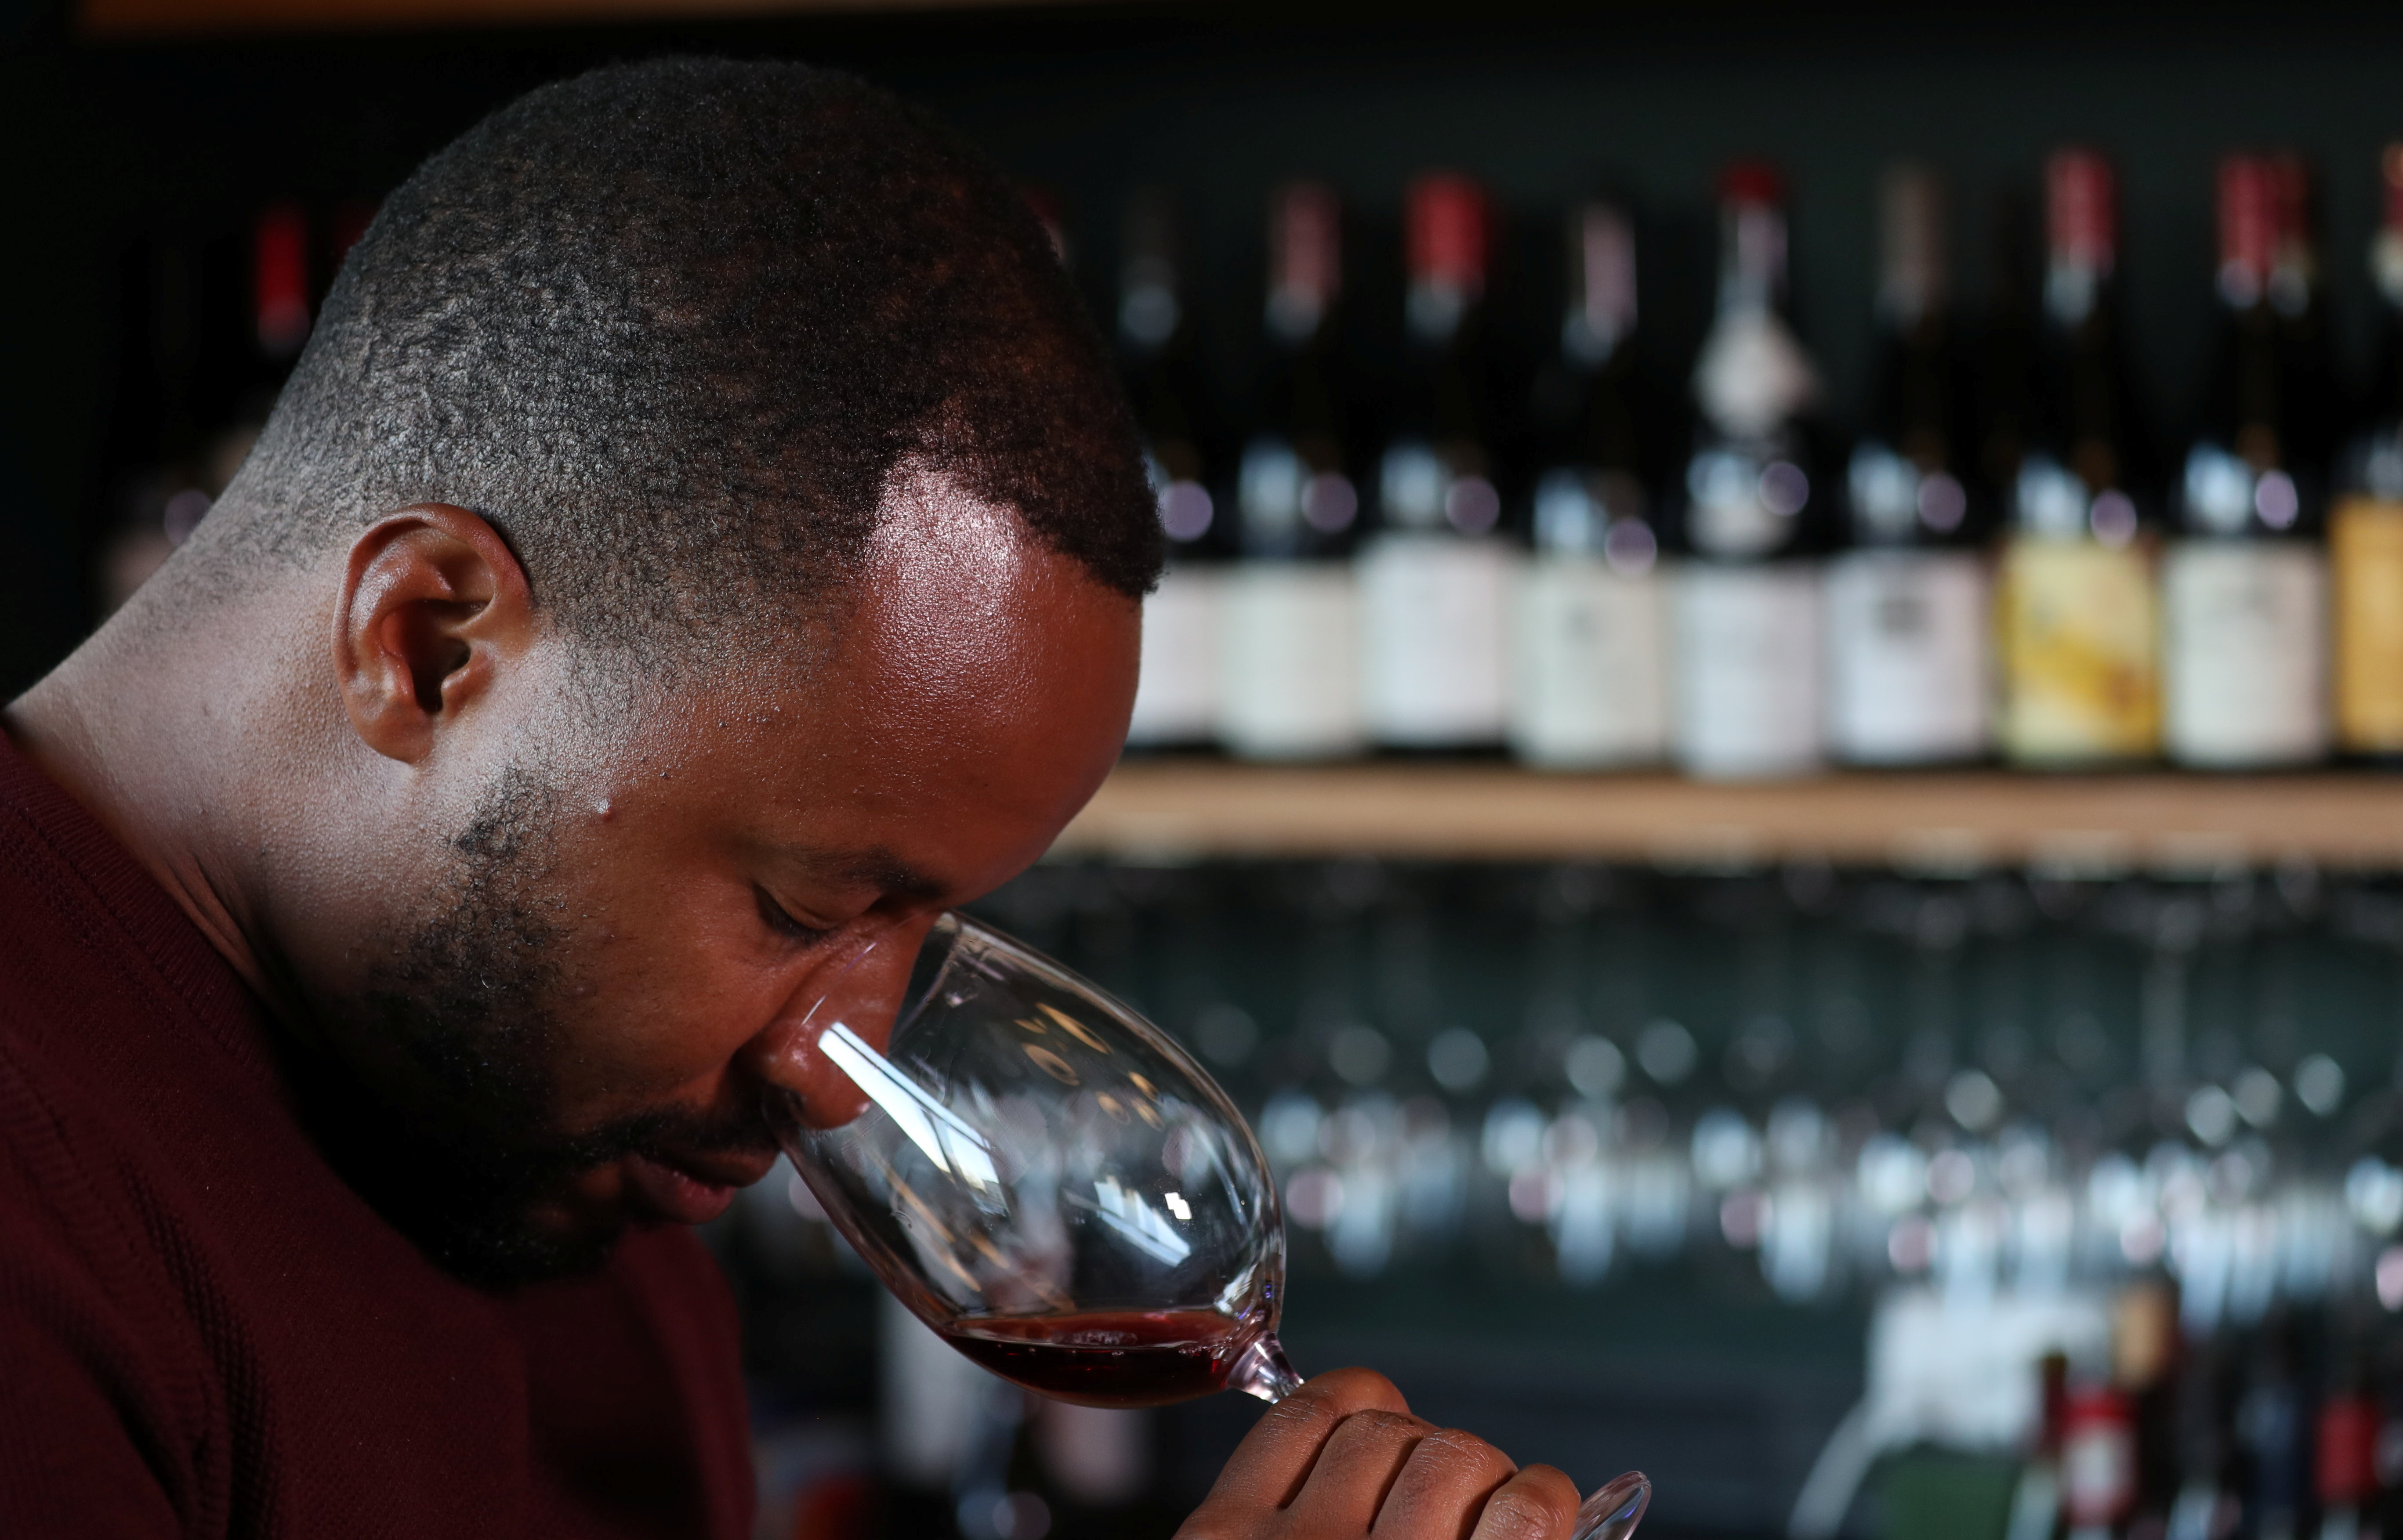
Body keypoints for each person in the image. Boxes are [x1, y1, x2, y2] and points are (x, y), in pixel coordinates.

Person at [0, 57, 1586, 1540]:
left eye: (929, 922)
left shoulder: (559, 1153)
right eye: (808, 907)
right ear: (427, 648)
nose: (846, 1076)